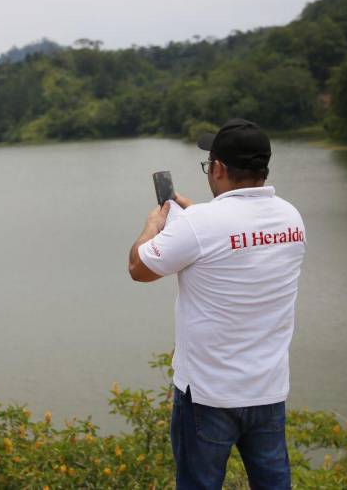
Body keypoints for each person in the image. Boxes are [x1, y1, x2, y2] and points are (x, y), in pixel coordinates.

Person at [128, 118, 306, 490]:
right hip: (267, 392)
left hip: (208, 397)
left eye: (210, 163)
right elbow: (236, 235)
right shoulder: (292, 217)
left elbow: (139, 268)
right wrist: (193, 218)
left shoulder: (199, 225)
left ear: (220, 169)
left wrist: (153, 226)